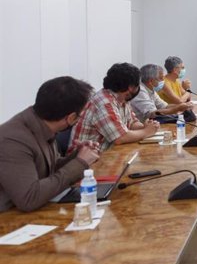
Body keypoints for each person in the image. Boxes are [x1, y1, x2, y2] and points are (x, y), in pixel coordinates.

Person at [0, 77, 100, 212]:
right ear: (71, 118)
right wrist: (80, 163)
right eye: (80, 115)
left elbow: (49, 168)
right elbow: (29, 198)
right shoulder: (13, 141)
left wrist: (78, 155)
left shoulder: (41, 123)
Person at [70, 63, 159, 151]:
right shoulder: (104, 102)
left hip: (105, 154)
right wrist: (147, 132)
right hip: (85, 161)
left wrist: (145, 126)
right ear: (130, 87)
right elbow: (120, 138)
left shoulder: (122, 98)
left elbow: (131, 123)